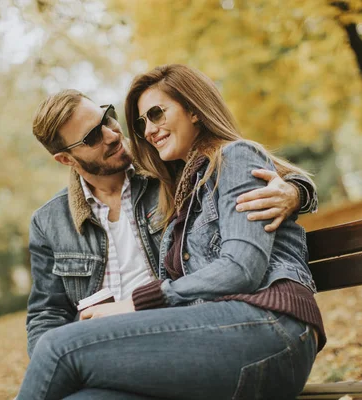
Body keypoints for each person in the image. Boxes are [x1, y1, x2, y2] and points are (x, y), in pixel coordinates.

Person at [19, 74, 323, 400]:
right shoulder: (52, 221)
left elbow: (254, 171)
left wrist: (295, 191)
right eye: (93, 136)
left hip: (223, 328)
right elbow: (45, 314)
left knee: (60, 348)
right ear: (65, 159)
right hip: (155, 348)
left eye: (108, 117)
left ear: (193, 109)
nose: (113, 133)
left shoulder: (166, 173)